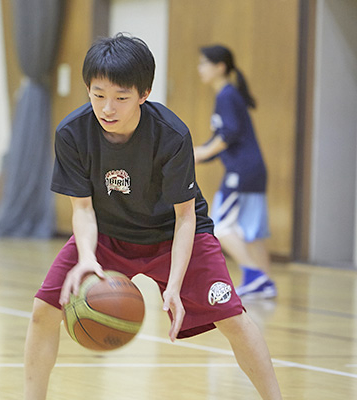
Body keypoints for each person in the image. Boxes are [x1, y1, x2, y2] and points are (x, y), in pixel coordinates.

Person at [23, 34, 282, 400]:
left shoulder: (171, 135)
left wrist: (174, 284)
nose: (107, 108)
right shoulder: (72, 133)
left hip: (172, 235)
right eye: (98, 95)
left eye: (121, 98)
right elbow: (82, 208)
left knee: (233, 318)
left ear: (144, 94)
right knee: (43, 311)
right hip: (108, 235)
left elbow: (185, 218)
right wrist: (85, 259)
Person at [194, 45, 276, 299]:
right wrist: (200, 152)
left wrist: (204, 152)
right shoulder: (229, 95)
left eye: (204, 63)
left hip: (241, 172)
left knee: (220, 225)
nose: (200, 68)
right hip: (253, 170)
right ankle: (266, 284)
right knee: (252, 231)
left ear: (220, 67)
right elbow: (223, 139)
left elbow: (228, 135)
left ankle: (255, 277)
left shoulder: (226, 96)